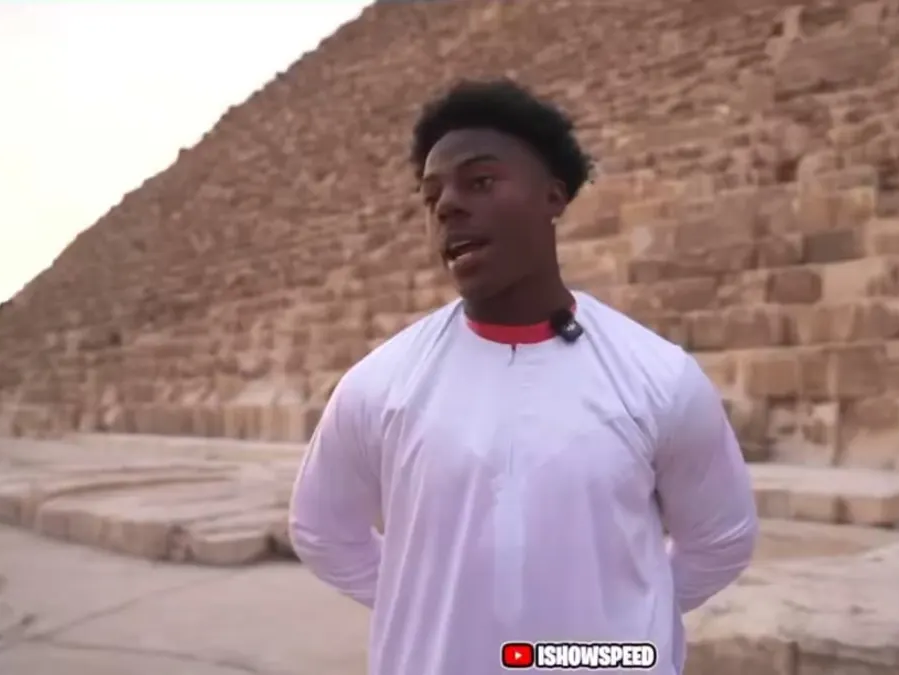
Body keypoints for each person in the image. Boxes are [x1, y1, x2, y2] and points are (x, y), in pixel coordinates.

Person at [289, 78, 758, 675]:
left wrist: (615, 620)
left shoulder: (658, 376)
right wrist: (438, 608)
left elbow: (720, 541)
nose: (447, 206)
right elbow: (323, 531)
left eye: (480, 182)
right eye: (431, 196)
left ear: (553, 197)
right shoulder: (379, 384)